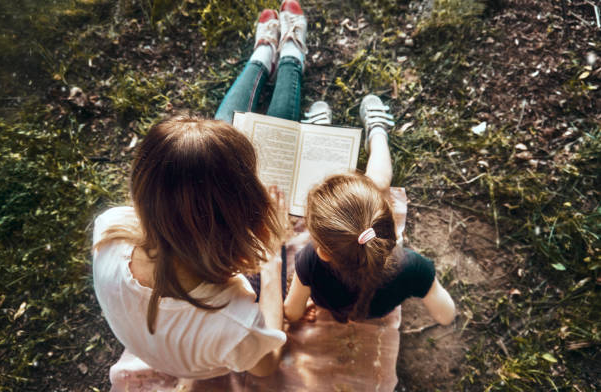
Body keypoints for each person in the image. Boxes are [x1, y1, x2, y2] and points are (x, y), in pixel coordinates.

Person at [92, 1, 307, 389]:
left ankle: (262, 56)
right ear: (242, 221)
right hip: (210, 337)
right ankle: (290, 55)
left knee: (207, 143)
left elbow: (184, 197)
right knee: (269, 133)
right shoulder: (234, 321)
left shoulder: (107, 233)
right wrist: (273, 260)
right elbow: (268, 364)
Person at [284, 94, 456, 326]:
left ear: (323, 251)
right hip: (379, 308)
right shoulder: (412, 266)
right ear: (391, 224)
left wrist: (300, 308)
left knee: (348, 186)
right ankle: (377, 132)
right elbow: (447, 315)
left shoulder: (310, 261)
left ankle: (323, 137)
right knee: (377, 180)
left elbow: (292, 312)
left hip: (335, 305)